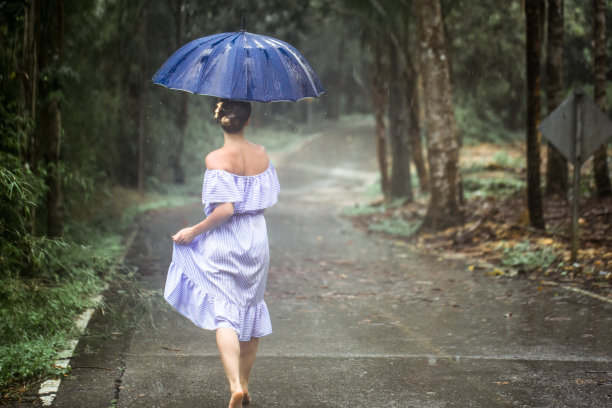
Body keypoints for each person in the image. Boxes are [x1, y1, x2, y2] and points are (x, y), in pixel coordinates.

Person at [164, 99, 280, 407]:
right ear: (248, 121)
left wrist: (193, 231)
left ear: (220, 121)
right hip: (256, 237)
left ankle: (234, 387)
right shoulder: (262, 154)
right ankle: (245, 381)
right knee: (252, 309)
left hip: (226, 241)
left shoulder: (215, 158)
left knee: (226, 313)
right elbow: (264, 200)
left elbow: (226, 209)